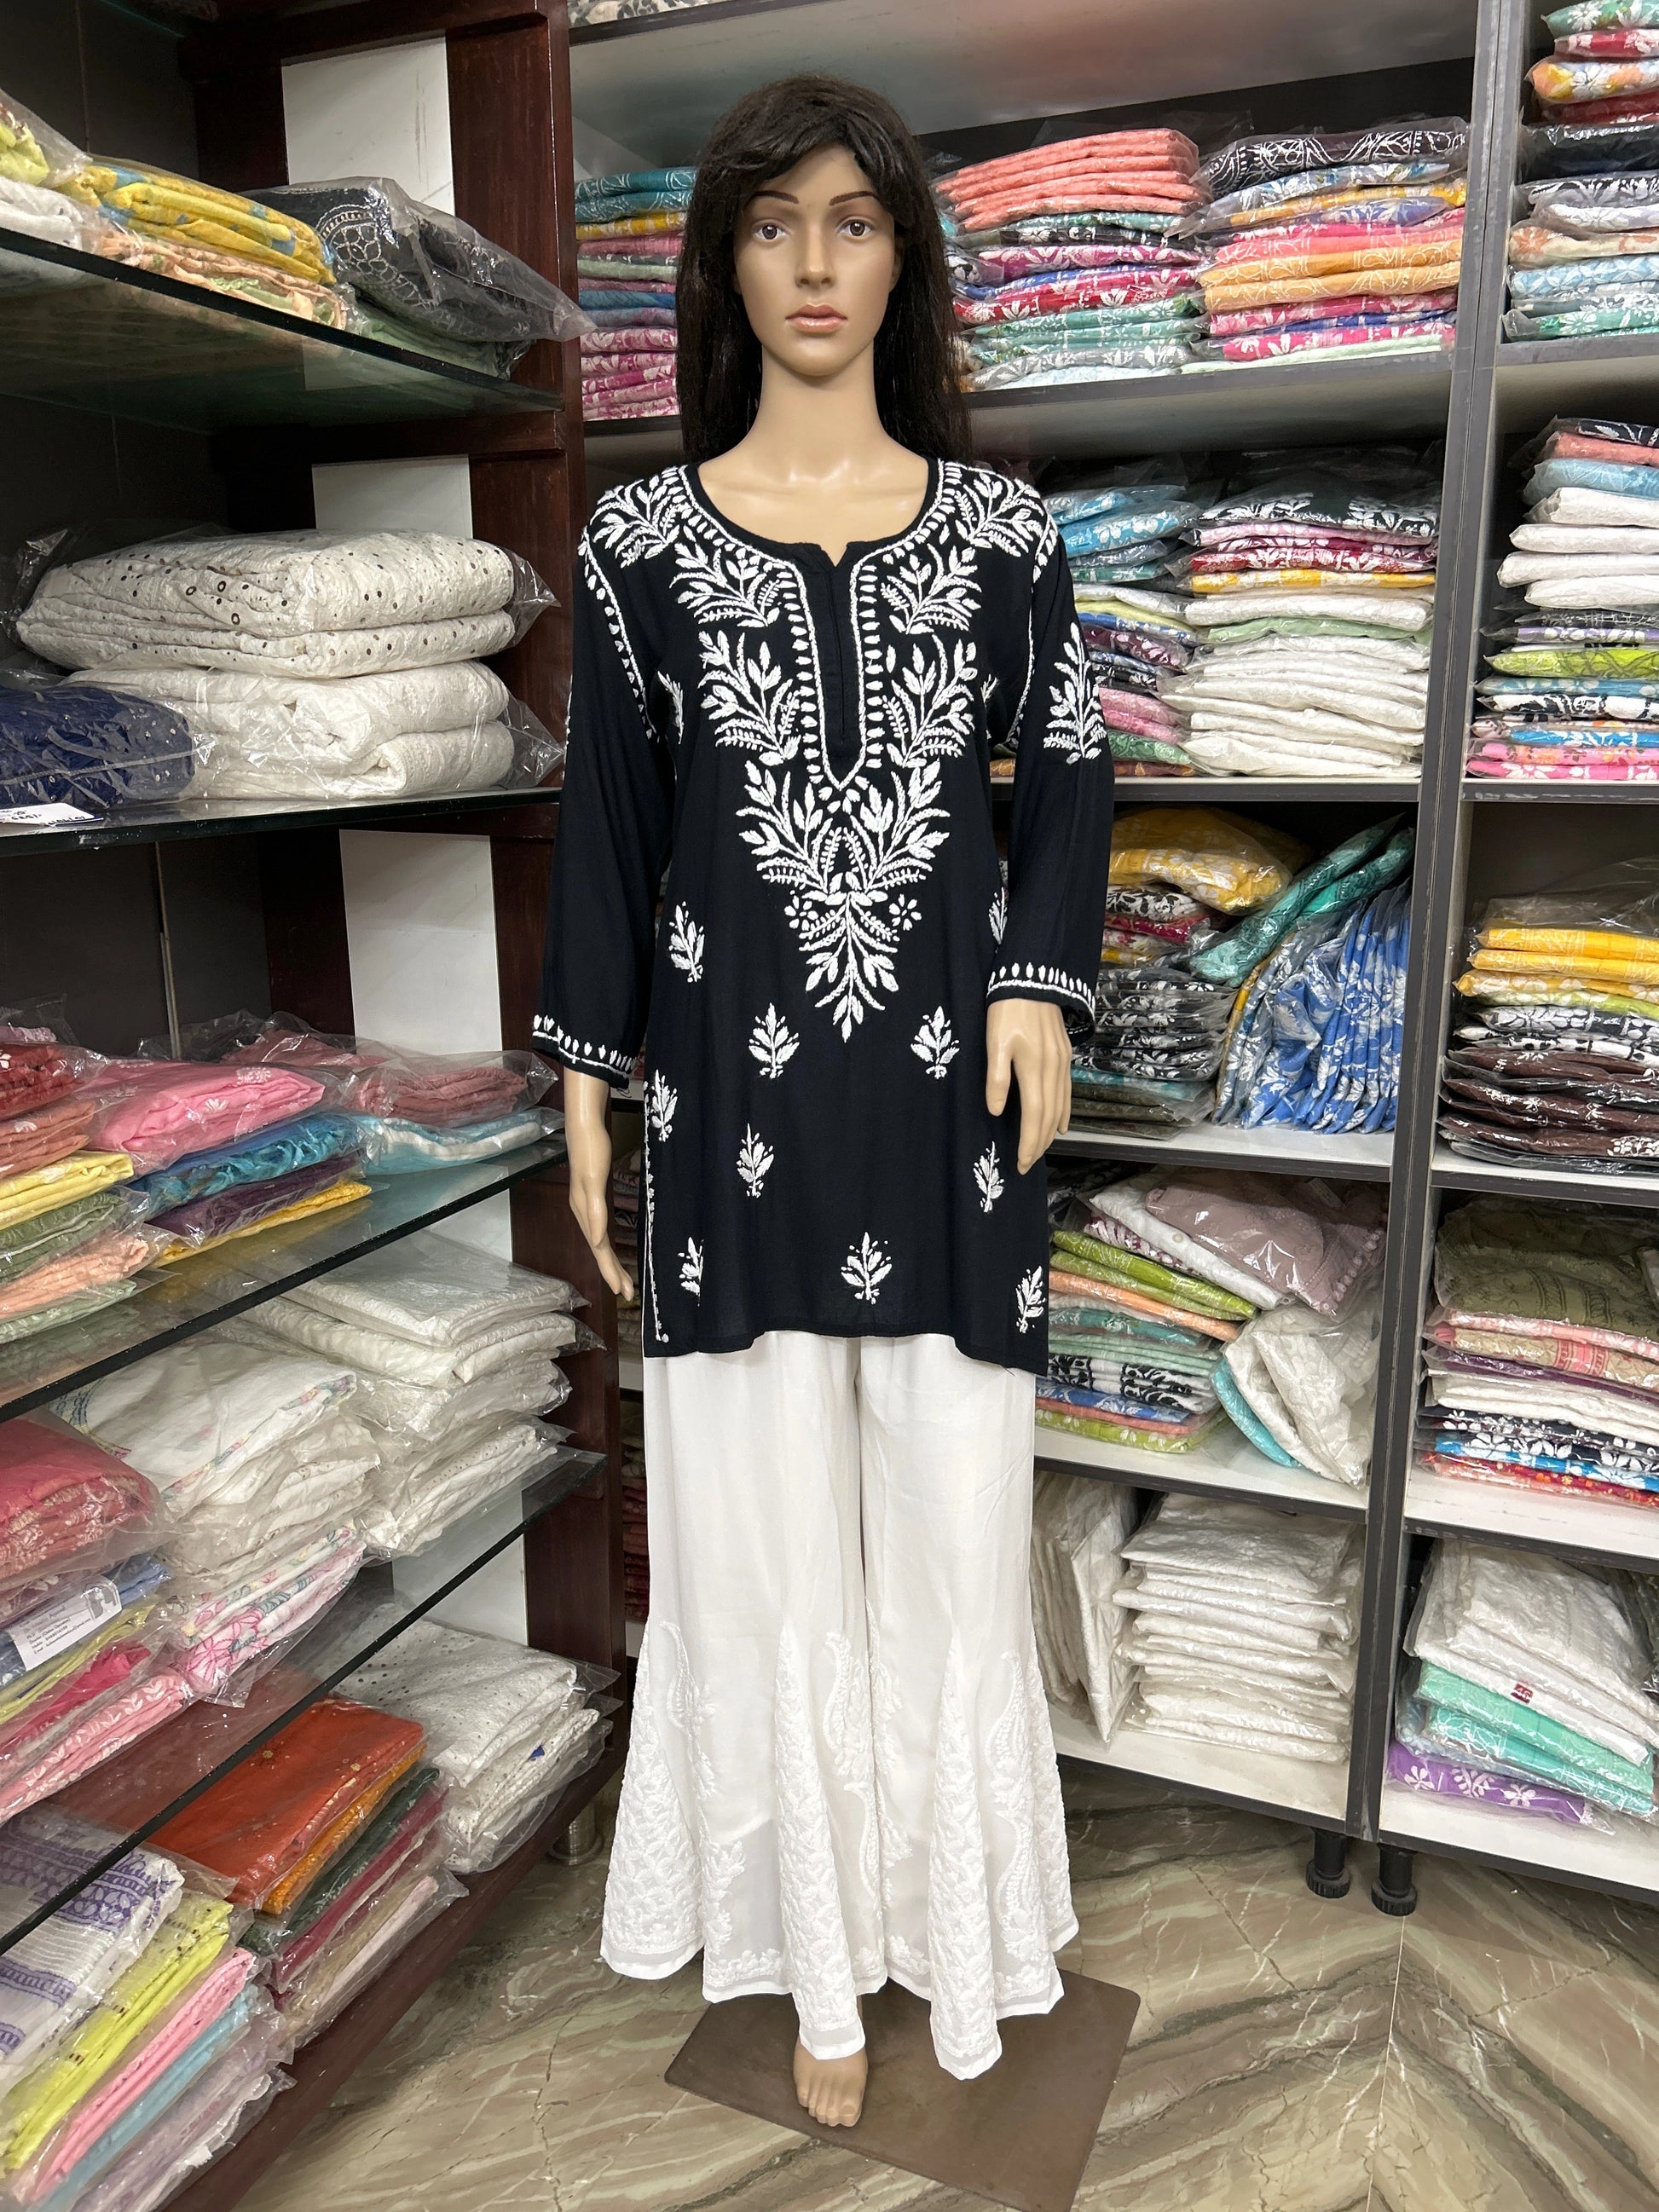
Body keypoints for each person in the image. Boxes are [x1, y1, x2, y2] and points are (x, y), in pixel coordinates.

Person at [536, 72, 1113, 2127]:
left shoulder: (1006, 537)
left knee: (946, 1528)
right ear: (722, 255)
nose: (811, 263)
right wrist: (586, 1084)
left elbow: (1067, 769)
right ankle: (806, 1963)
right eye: (773, 222)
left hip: (954, 1103)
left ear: (903, 259)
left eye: (853, 222)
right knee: (764, 1537)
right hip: (728, 1109)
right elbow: (608, 830)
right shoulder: (633, 545)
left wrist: (1043, 978)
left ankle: (950, 1935)